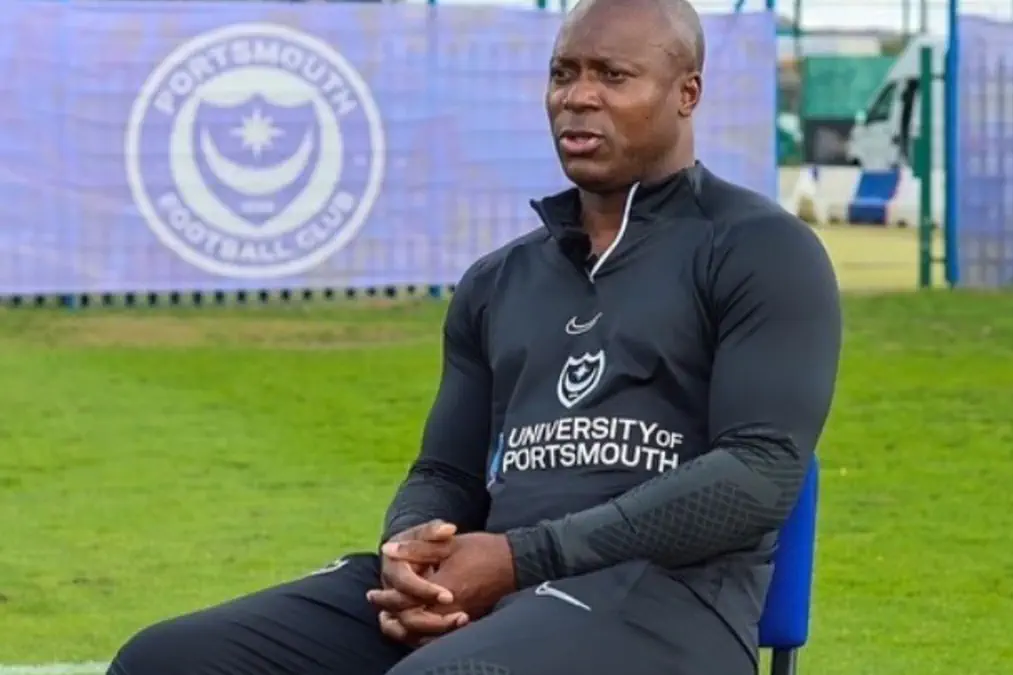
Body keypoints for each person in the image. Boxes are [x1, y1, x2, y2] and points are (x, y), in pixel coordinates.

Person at [107, 0, 841, 673]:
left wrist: (523, 557)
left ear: (687, 93)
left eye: (612, 76)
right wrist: (412, 552)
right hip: (495, 591)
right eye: (563, 73)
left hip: (668, 605)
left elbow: (759, 474)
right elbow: (446, 472)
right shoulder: (498, 280)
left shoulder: (759, 249)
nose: (578, 97)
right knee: (167, 661)